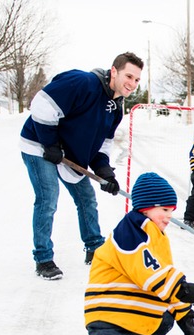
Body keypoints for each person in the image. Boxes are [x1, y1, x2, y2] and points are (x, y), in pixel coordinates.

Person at [17, 172, 194, 335]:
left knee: (164, 321)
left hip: (127, 306)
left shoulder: (154, 233)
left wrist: (181, 311)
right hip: (110, 308)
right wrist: (181, 287)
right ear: (146, 207)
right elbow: (149, 272)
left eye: (171, 211)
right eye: (164, 210)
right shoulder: (132, 231)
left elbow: (161, 272)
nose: (168, 217)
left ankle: (133, 331)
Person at [20, 52, 144, 280]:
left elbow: (103, 145)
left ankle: (94, 248)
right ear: (114, 71)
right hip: (39, 144)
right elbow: (41, 104)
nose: (132, 83)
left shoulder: (116, 107)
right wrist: (50, 143)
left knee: (86, 198)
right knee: (48, 198)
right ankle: (43, 259)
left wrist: (105, 171)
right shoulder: (83, 83)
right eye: (129, 76)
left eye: (137, 80)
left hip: (68, 153)